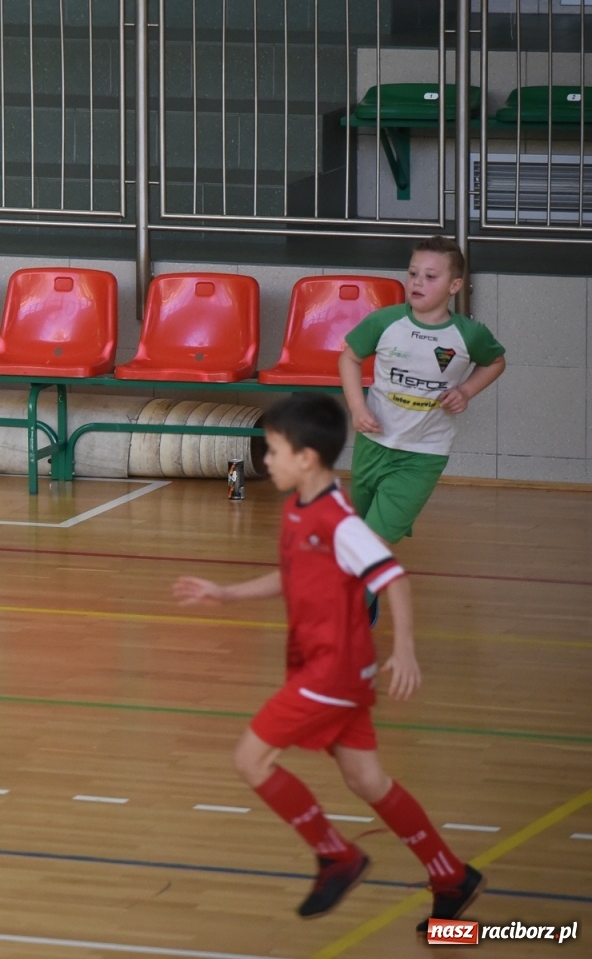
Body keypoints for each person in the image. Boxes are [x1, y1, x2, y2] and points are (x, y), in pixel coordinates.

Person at [172, 392, 484, 932]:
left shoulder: (341, 523)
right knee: (366, 780)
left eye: (272, 450)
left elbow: (393, 579)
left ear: (306, 458)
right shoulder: (296, 509)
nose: (265, 460)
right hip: (328, 670)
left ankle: (337, 855)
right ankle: (451, 875)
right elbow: (291, 577)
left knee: (251, 760)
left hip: (332, 673)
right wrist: (226, 594)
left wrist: (404, 650)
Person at [339, 236, 506, 548]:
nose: (418, 282)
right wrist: (357, 408)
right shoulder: (384, 321)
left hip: (424, 453)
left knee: (373, 541)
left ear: (454, 286)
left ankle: (349, 596)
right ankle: (361, 594)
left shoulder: (469, 335)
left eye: (430, 277)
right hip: (372, 445)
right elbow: (349, 356)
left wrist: (467, 390)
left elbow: (495, 362)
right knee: (362, 534)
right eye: (413, 273)